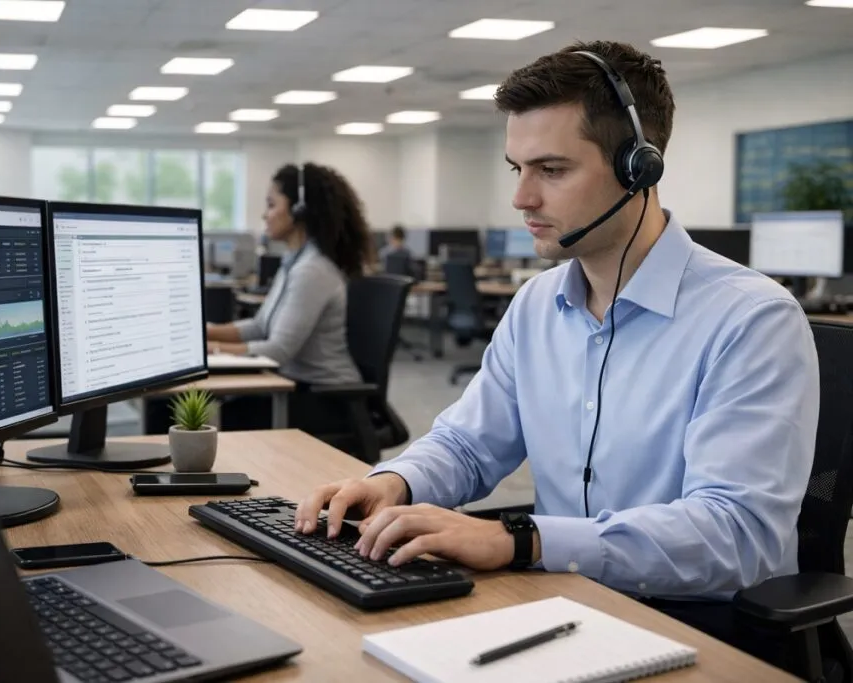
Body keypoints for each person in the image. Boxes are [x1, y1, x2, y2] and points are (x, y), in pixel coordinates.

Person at [294, 39, 818, 669]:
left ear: (638, 170)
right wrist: (393, 483)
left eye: (552, 169)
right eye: (518, 169)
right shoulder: (538, 305)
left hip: (696, 623)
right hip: (558, 598)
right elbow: (468, 443)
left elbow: (735, 535)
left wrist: (523, 539)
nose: (522, 198)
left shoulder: (750, 318)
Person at [205, 162, 372, 431]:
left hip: (326, 401)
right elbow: (259, 327)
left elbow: (278, 350)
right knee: (204, 410)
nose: (264, 215)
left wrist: (209, 351)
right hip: (298, 388)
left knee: (205, 415)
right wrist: (206, 333)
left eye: (271, 205)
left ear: (299, 210)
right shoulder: (294, 262)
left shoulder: (313, 270)